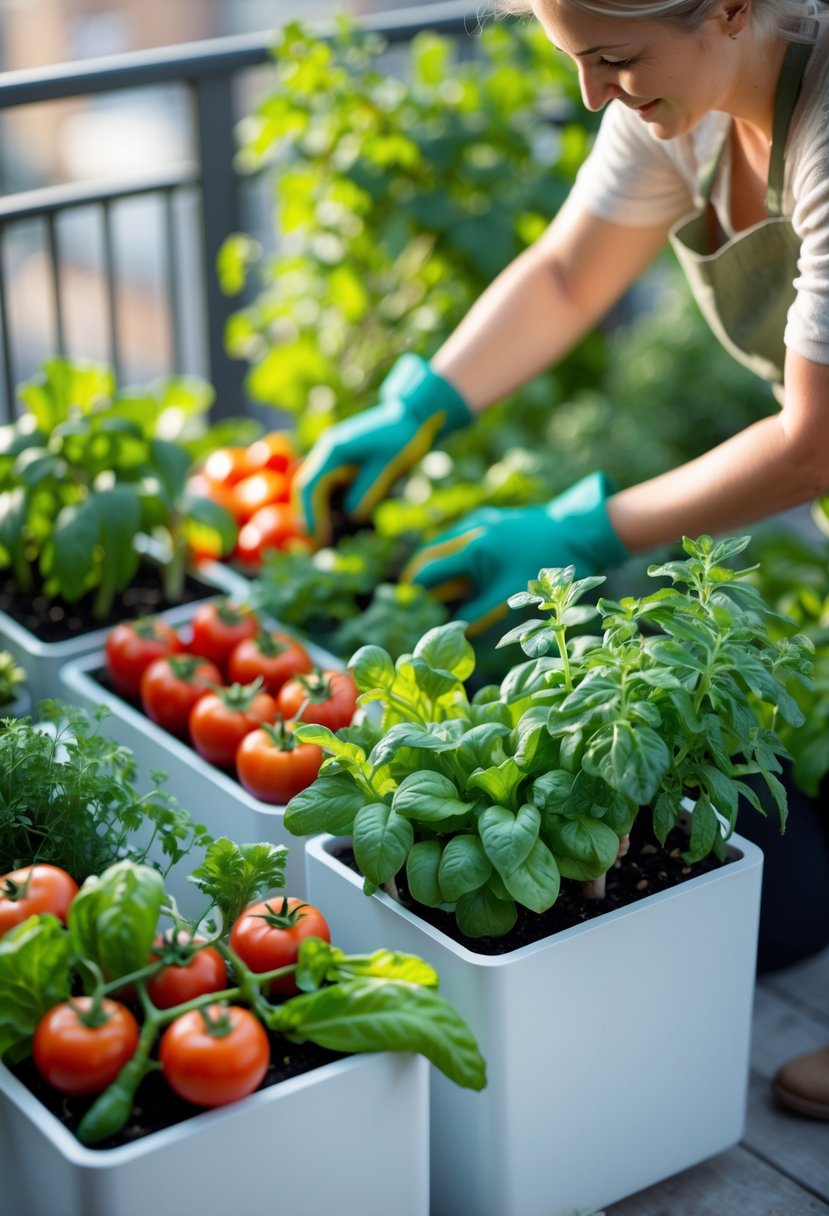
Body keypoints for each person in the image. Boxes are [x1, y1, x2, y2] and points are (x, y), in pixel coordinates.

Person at [294, 0, 829, 1116]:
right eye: (575, 58)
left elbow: (812, 439)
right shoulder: (677, 100)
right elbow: (568, 276)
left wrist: (588, 528)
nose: (592, 93)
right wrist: (421, 401)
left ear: (729, 8)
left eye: (612, 59)